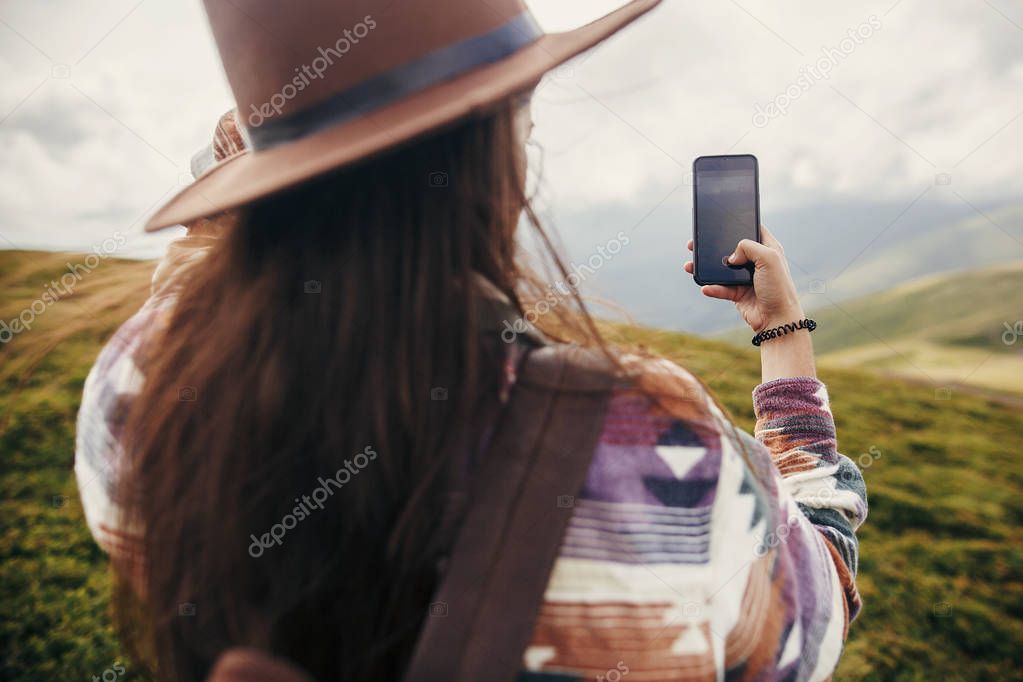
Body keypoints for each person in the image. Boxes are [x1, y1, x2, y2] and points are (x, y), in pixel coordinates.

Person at [74, 1, 866, 680]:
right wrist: (781, 337)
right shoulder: (653, 448)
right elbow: (811, 615)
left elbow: (187, 287)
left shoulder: (135, 389)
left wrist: (265, 183)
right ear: (501, 159)